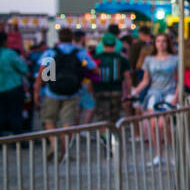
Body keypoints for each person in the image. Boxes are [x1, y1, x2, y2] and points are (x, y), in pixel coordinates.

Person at [35, 27, 98, 157]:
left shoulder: (50, 53)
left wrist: (36, 91)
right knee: (68, 122)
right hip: (73, 91)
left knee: (49, 118)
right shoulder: (80, 53)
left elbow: (42, 73)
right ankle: (64, 151)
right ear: (72, 38)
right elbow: (93, 68)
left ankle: (53, 143)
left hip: (52, 91)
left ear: (59, 37)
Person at [91, 30, 129, 125]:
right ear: (115, 44)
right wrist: (128, 93)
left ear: (103, 44)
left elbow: (91, 76)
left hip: (100, 90)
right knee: (114, 117)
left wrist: (92, 90)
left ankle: (104, 137)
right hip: (116, 90)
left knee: (102, 117)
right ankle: (113, 137)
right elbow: (127, 77)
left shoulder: (96, 58)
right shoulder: (122, 58)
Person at [0, 38, 28, 136]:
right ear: (4, 42)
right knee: (15, 114)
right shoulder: (10, 54)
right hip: (13, 87)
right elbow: (23, 69)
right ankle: (18, 140)